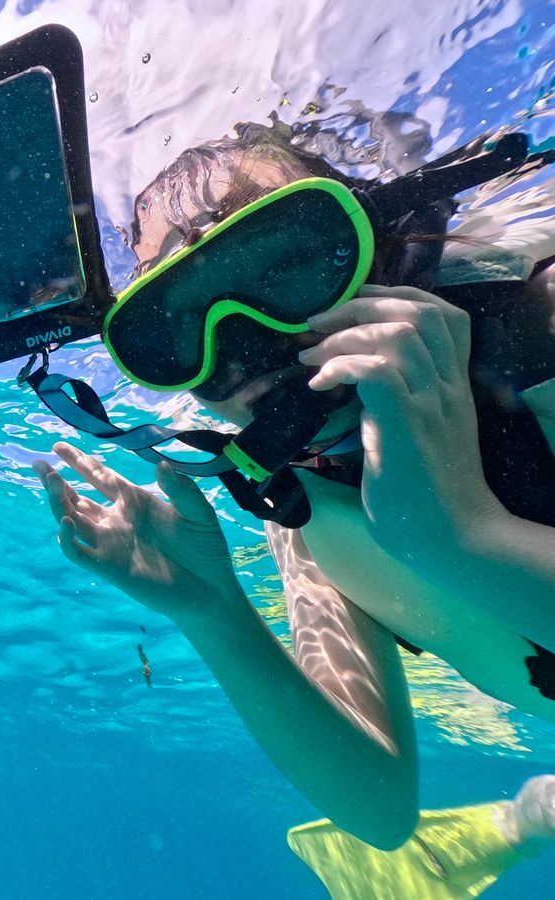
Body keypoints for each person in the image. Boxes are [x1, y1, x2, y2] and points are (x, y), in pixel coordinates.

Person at [33, 121, 555, 889]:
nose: (246, 344)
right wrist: (213, 610)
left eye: (285, 265)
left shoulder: (541, 328)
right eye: (179, 323)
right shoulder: (299, 504)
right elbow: (378, 807)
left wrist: (460, 535)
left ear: (378, 246)